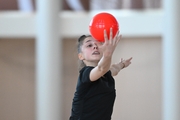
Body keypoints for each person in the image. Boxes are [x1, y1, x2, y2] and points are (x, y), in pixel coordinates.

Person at [69, 28, 132, 120]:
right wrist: (108, 53)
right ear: (81, 56)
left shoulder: (106, 74)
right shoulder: (85, 73)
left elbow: (113, 69)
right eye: (89, 45)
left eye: (98, 44)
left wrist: (122, 64)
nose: (95, 46)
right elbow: (101, 68)